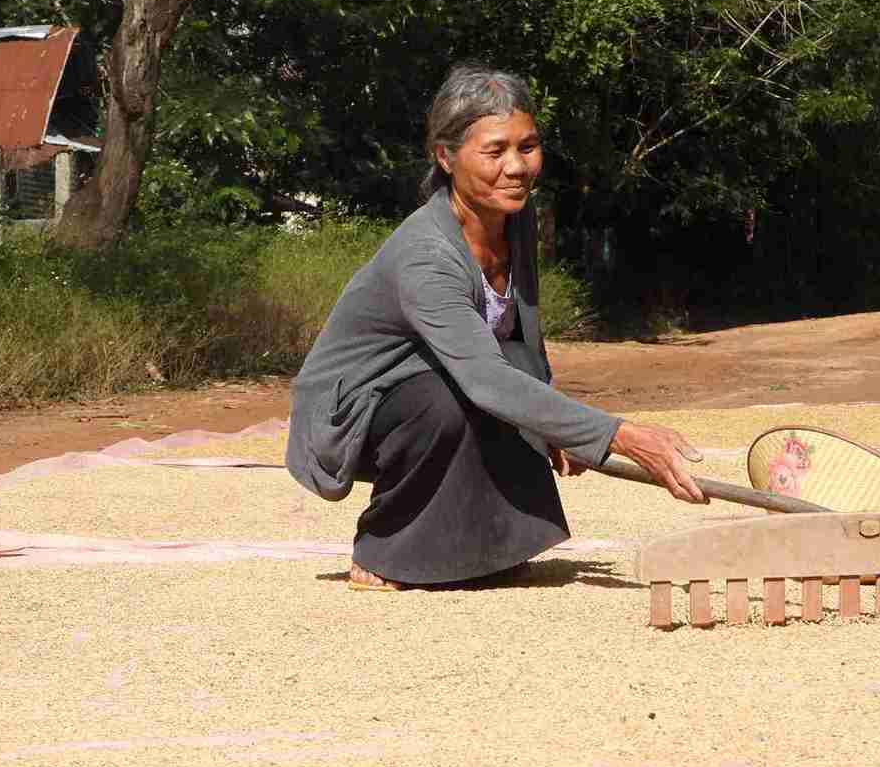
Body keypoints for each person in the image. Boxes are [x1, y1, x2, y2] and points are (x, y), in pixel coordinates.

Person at [286, 63, 705, 590]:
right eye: (495, 151)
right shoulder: (427, 254)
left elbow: (524, 338)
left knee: (520, 371)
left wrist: (554, 424)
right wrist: (617, 435)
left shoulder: (515, 219)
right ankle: (385, 551)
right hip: (354, 416)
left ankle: (494, 549)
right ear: (445, 156)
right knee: (453, 396)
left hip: (439, 378)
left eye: (527, 147)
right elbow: (484, 376)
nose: (517, 167)